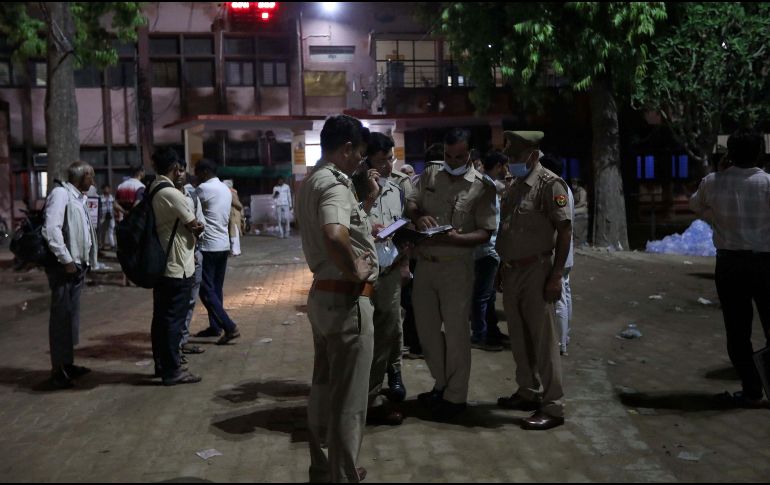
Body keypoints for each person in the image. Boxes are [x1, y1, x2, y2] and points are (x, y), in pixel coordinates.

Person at [296, 114, 375, 483]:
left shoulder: (311, 181)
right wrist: (355, 270)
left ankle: (324, 468)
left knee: (325, 388)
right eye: (359, 153)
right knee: (349, 398)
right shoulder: (334, 184)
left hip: (324, 295)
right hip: (345, 300)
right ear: (346, 149)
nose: (360, 161)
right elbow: (333, 234)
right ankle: (342, 475)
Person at [405, 128, 497, 421]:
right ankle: (442, 384)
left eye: (459, 156)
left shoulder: (482, 186)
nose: (453, 161)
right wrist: (419, 216)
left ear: (470, 154)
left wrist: (458, 239)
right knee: (427, 331)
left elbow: (486, 232)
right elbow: (412, 203)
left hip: (457, 268)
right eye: (448, 155)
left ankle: (455, 397)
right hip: (425, 265)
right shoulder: (431, 174)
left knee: (457, 334)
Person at [495, 130, 572, 431]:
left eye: (515, 156)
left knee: (543, 341)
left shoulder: (550, 185)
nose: (510, 161)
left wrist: (556, 276)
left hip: (537, 270)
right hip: (512, 269)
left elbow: (564, 231)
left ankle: (553, 406)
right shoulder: (515, 185)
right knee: (518, 336)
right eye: (508, 156)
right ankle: (527, 391)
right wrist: (502, 266)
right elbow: (508, 229)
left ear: (533, 155)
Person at [689, 128, 770, 408]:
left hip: (730, 264)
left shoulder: (713, 182)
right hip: (765, 263)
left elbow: (695, 206)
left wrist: (715, 213)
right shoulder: (767, 183)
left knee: (737, 332)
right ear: (760, 153)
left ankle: (752, 389)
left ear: (729, 154)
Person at [360, 132, 408, 425]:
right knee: (367, 335)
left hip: (389, 271)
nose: (389, 166)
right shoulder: (355, 188)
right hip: (364, 274)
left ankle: (381, 387)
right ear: (367, 161)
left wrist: (404, 262)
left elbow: (401, 227)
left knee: (389, 330)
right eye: (381, 161)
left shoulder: (397, 189)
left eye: (391, 159)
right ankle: (368, 398)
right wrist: (369, 200)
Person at [147, 148, 204, 385]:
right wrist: (195, 226)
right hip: (177, 266)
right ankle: (172, 370)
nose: (181, 173)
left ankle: (162, 365)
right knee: (173, 321)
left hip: (163, 264)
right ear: (173, 168)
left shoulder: (153, 188)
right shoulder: (171, 193)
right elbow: (195, 224)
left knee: (161, 320)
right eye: (179, 169)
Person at [42, 161, 99, 389]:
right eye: (91, 176)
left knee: (70, 317)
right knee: (61, 318)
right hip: (64, 267)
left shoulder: (77, 197)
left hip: (77, 266)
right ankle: (57, 371)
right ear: (82, 176)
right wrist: (66, 260)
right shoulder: (61, 194)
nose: (93, 181)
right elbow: (51, 229)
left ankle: (67, 363)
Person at [193, 159, 241, 345]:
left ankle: (229, 326)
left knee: (206, 291)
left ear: (204, 172)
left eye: (197, 173)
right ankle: (215, 326)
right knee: (216, 288)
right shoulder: (225, 189)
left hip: (208, 246)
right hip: (223, 244)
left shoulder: (203, 189)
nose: (196, 177)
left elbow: (190, 208)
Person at [471, 151, 509, 352]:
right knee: (482, 295)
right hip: (486, 249)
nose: (507, 171)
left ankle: (491, 331)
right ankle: (480, 335)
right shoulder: (485, 186)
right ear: (499, 166)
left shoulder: (489, 184)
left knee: (489, 295)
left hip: (490, 248)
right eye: (505, 166)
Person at [541, 155, 576, 356]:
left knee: (559, 299)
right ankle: (565, 337)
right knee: (565, 294)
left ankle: (561, 343)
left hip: (559, 252)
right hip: (565, 252)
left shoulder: (557, 189)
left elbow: (561, 228)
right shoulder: (564, 188)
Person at [177, 167, 205, 358]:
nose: (179, 173)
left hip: (194, 254)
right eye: (176, 170)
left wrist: (198, 230)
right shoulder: (166, 197)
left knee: (190, 300)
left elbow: (201, 223)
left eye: (182, 170)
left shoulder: (192, 196)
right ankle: (174, 346)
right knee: (176, 303)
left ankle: (182, 341)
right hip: (176, 258)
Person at [223, 180, 243, 257]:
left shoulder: (231, 193)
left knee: (234, 233)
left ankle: (235, 251)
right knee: (233, 233)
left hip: (234, 215)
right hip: (232, 215)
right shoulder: (231, 192)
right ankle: (235, 250)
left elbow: (237, 204)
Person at [98, 184, 116, 251]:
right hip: (103, 216)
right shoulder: (100, 197)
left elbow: (114, 205)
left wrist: (117, 213)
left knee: (111, 230)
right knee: (103, 231)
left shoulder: (112, 197)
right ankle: (102, 245)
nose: (106, 190)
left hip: (111, 216)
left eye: (108, 188)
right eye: (105, 188)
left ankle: (112, 245)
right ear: (102, 189)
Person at [571, 178, 589, 246]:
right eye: (573, 184)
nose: (573, 185)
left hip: (582, 208)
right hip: (576, 207)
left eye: (574, 184)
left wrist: (573, 207)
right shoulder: (574, 191)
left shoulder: (582, 191)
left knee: (572, 212)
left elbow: (582, 202)